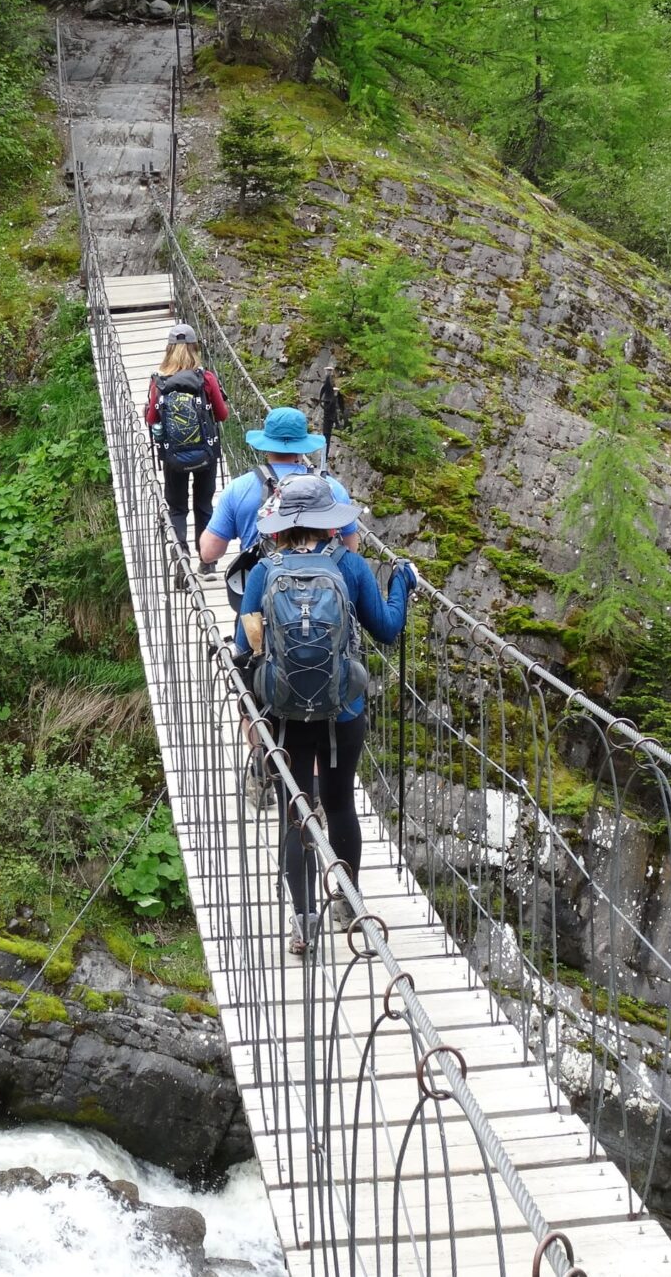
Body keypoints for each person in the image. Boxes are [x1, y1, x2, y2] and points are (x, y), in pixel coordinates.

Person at [233, 474, 416, 955]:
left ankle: (303, 923)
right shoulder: (350, 566)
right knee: (339, 805)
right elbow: (388, 629)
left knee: (297, 812)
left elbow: (241, 647)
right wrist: (402, 585)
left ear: (280, 526)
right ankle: (349, 906)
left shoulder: (263, 572)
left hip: (285, 712)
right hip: (343, 709)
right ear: (329, 524)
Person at [199, 405, 360, 611]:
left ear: (266, 445)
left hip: (260, 602)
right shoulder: (332, 489)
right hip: (322, 607)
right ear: (303, 445)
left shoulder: (238, 489)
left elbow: (209, 553)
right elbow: (350, 549)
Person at [145, 323, 229, 572]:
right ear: (195, 348)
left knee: (177, 508)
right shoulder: (206, 379)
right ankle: (208, 562)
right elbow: (222, 415)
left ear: (169, 349)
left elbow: (151, 420)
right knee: (204, 505)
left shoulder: (159, 382)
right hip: (206, 453)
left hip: (173, 457)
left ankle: (181, 563)